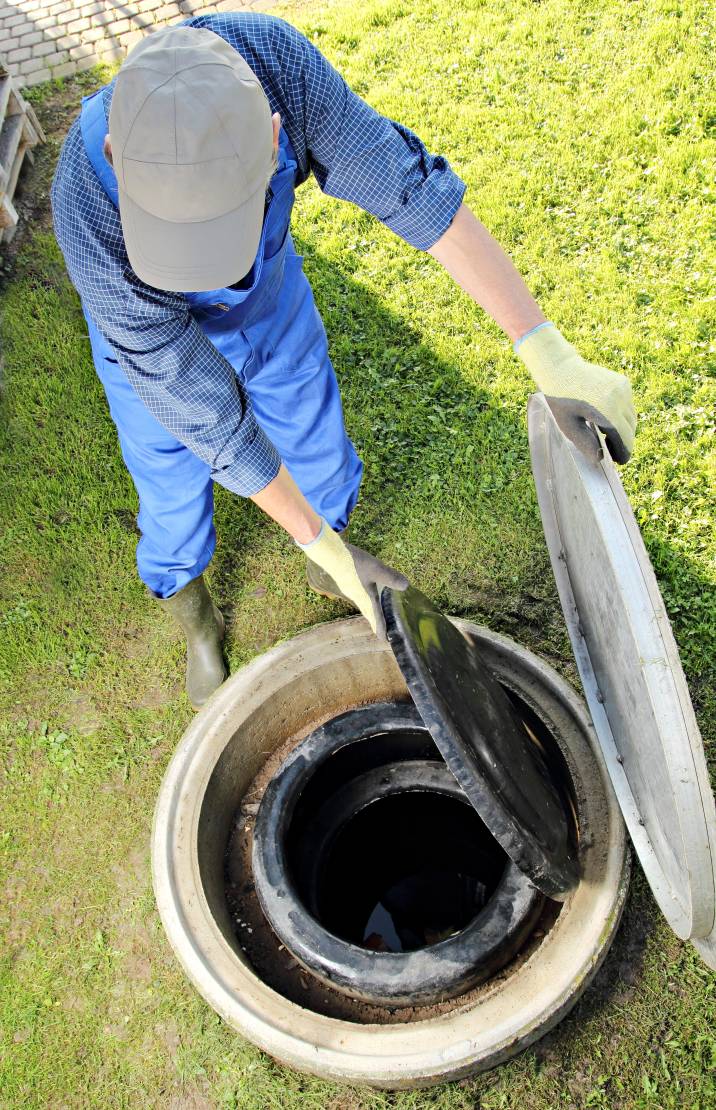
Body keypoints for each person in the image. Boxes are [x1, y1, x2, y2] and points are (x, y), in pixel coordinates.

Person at [51, 14, 636, 709]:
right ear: (116, 154)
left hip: (269, 302)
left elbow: (410, 191)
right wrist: (311, 540)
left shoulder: (281, 72)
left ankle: (333, 558)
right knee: (171, 480)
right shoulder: (85, 206)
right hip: (149, 350)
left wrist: (547, 349)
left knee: (315, 436)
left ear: (274, 135)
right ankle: (197, 615)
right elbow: (206, 411)